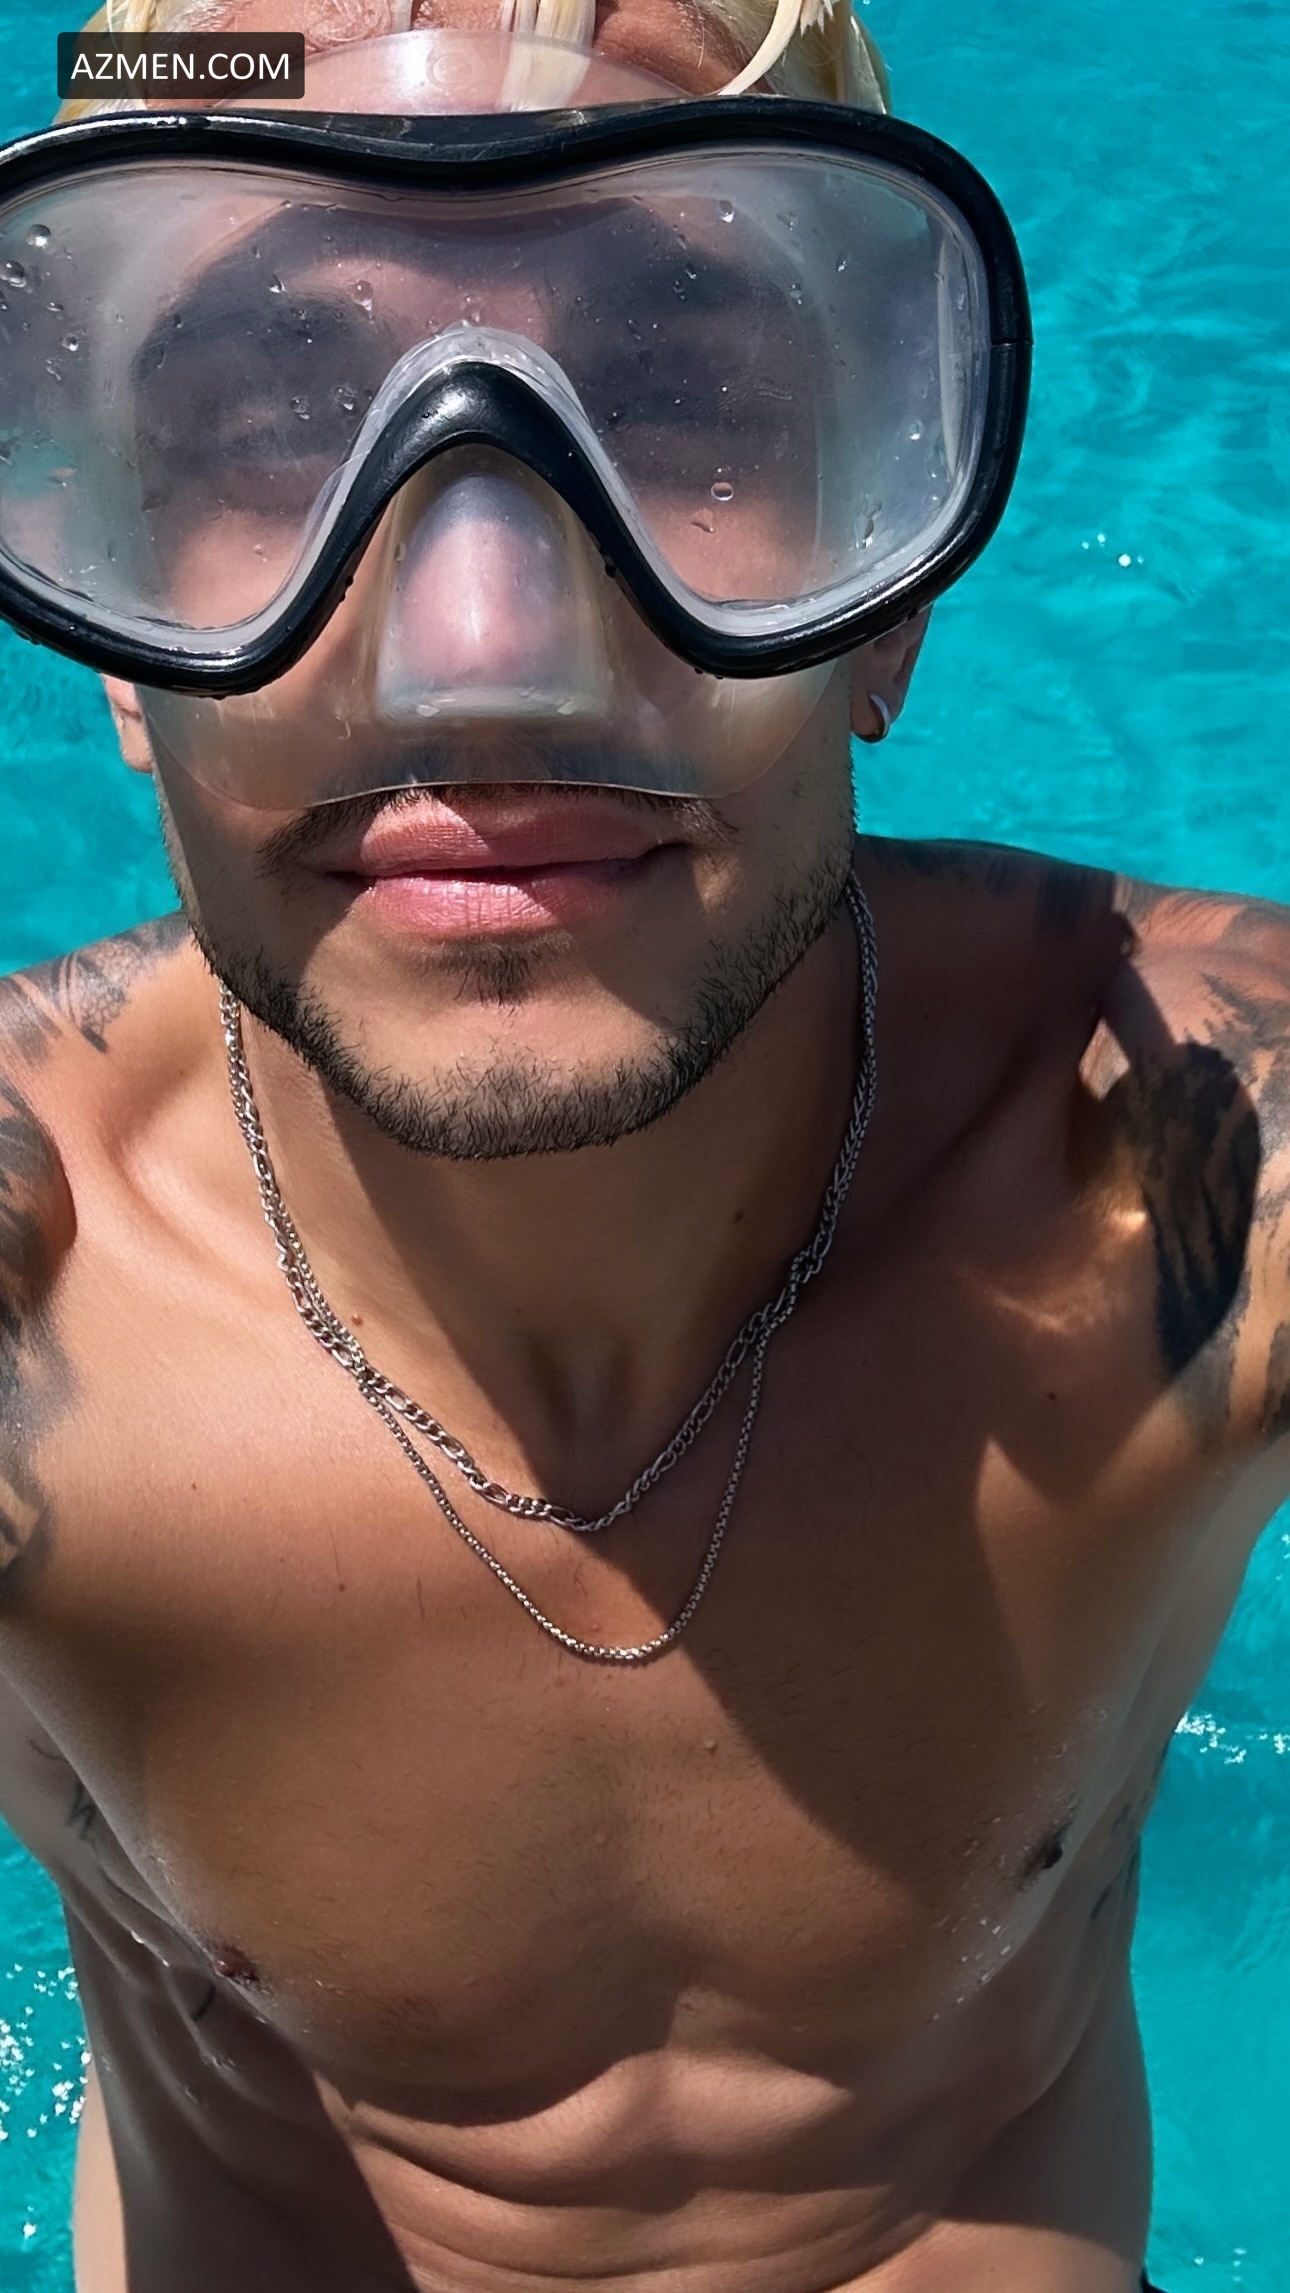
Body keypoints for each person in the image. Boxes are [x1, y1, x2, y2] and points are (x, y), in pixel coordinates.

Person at [0, 0, 1276, 2284]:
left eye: (678, 400)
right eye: (279, 417)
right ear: (114, 624)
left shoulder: (1167, 1172)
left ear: (891, 582)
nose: (484, 655)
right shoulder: (43, 1284)